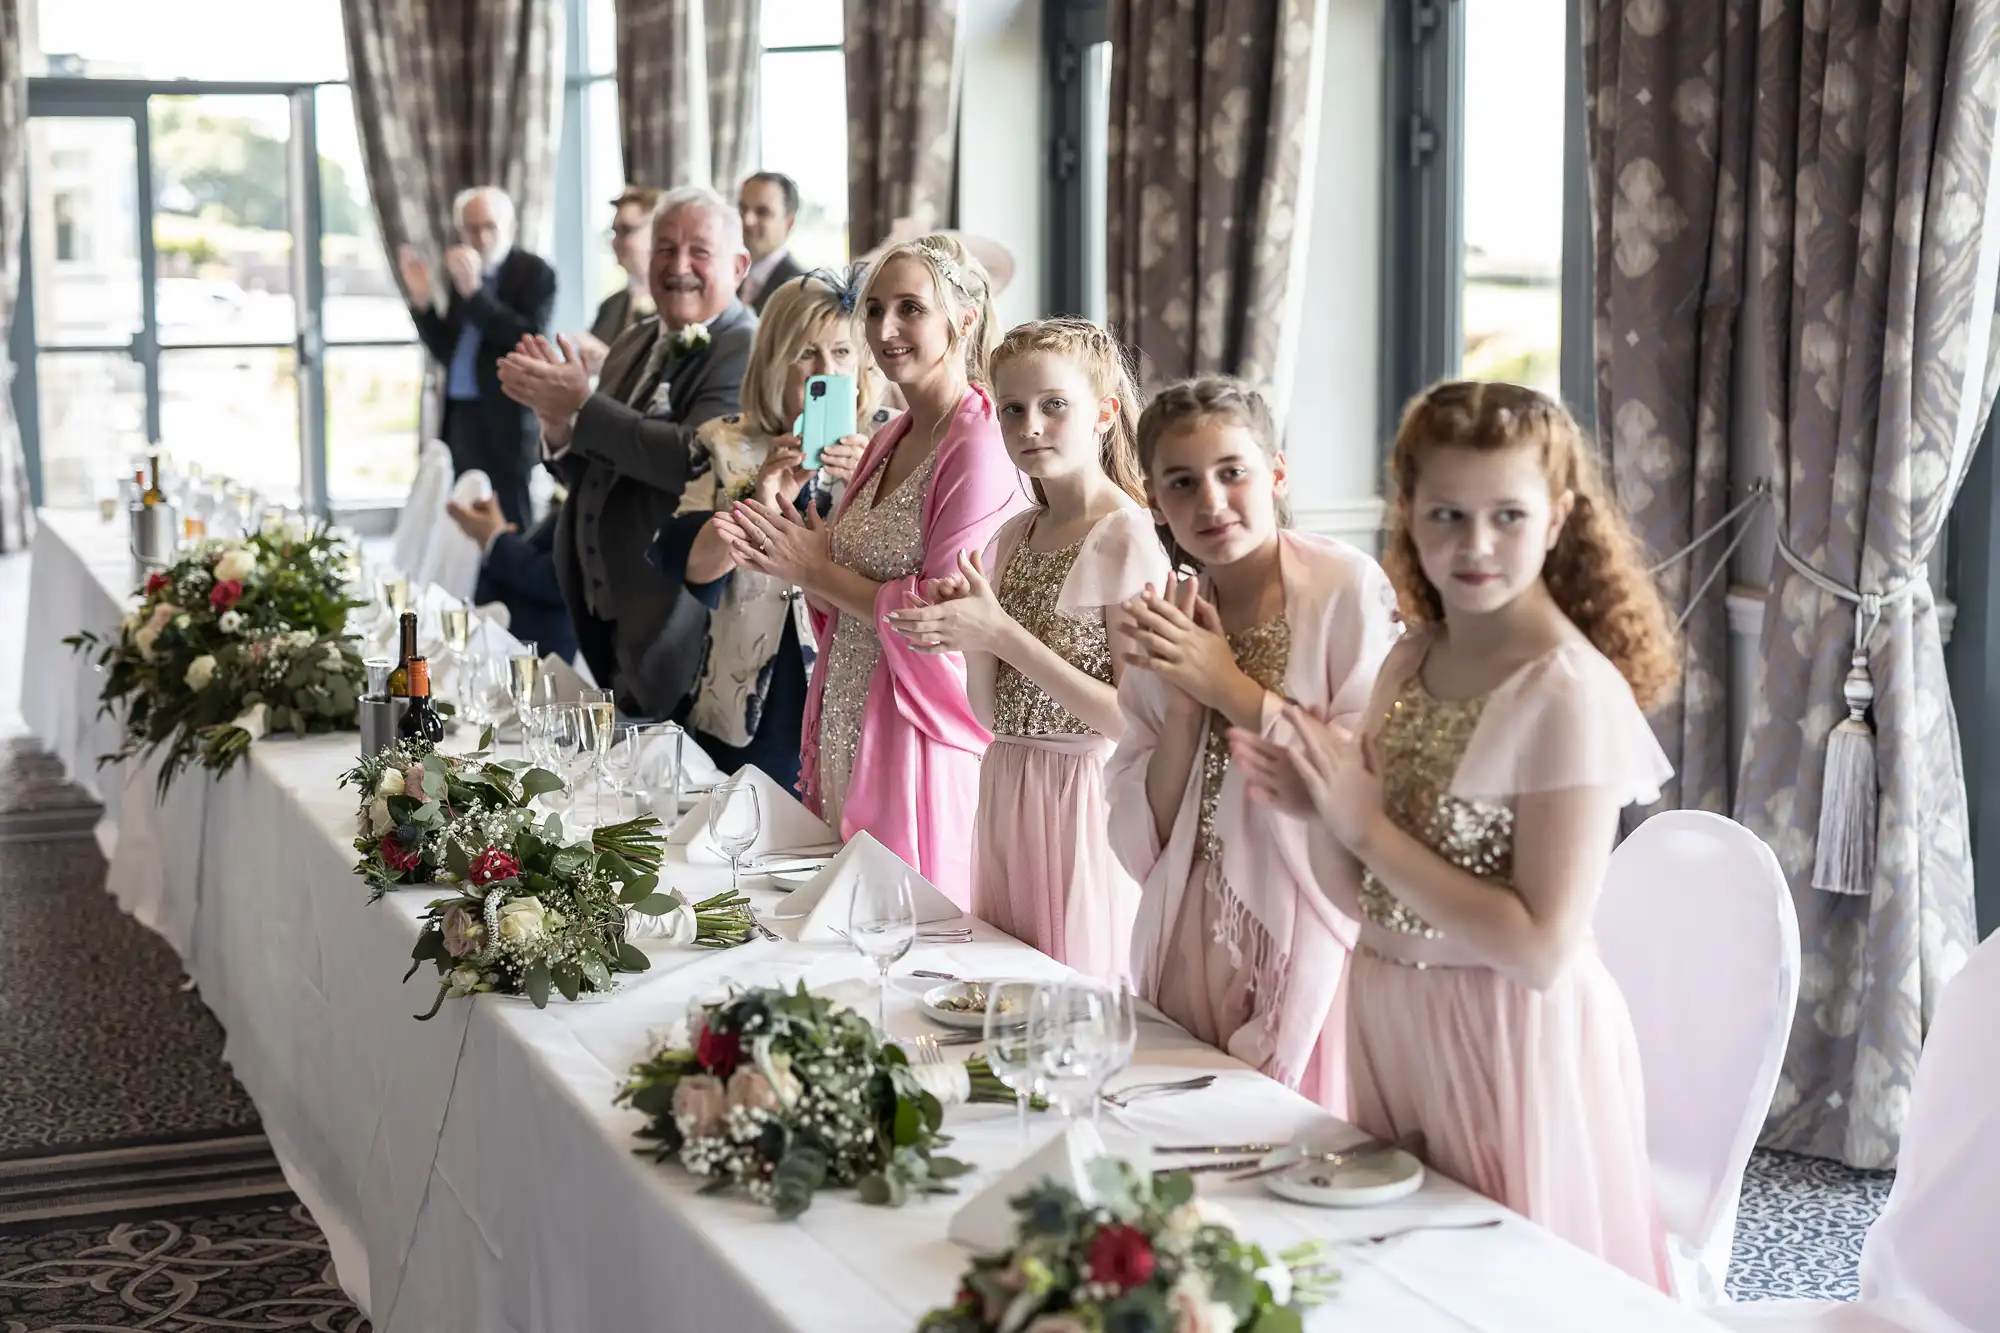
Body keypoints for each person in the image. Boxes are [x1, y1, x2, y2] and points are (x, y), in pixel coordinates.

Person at [1231, 380, 1677, 1289]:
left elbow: (1542, 949)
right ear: (1407, 510)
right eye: (1447, 514)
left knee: (1502, 1291)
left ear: (1556, 519)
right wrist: (1320, 814)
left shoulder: (1568, 692)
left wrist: (1362, 824)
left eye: (1507, 516)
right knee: (1409, 1286)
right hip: (1388, 1009)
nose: (1475, 546)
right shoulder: (1412, 654)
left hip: (1508, 1036)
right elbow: (1361, 895)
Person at [1103, 377, 1400, 1109]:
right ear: (1153, 498)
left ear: (1276, 472)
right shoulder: (1164, 612)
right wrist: (1181, 707)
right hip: (1191, 911)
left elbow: (1366, 775)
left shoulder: (1343, 589)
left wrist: (1226, 684)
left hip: (1303, 913)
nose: (1210, 501)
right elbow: (1143, 826)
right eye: (1182, 482)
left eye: (1232, 472)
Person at [712, 235, 1025, 904]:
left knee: (898, 930)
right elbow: (828, 565)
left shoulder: (979, 441)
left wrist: (812, 570)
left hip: (916, 735)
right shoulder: (889, 434)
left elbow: (945, 621)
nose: (886, 329)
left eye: (910, 308)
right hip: (846, 704)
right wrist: (779, 519)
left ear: (962, 319)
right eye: (875, 309)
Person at [886, 319, 1167, 983]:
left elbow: (1131, 719)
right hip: (1007, 783)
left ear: (1103, 413)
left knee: (1071, 995)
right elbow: (990, 714)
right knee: (1007, 990)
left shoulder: (1125, 536)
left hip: (1085, 799)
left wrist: (1001, 633)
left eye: (1053, 405)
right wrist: (968, 637)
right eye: (1012, 409)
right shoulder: (1011, 536)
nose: (1030, 424)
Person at [495, 185, 754, 718]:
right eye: (665, 248)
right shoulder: (637, 338)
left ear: (739, 265)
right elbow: (595, 466)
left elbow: (697, 460)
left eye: (698, 251)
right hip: (603, 613)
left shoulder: (744, 346)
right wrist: (557, 423)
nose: (678, 265)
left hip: (675, 617)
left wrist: (583, 407)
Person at [648, 270, 881, 790]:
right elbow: (695, 567)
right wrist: (761, 494)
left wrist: (873, 478)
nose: (827, 370)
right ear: (776, 360)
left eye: (843, 354)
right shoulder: (724, 441)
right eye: (806, 354)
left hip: (859, 696)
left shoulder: (891, 443)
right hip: (748, 702)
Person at [400, 186, 556, 529]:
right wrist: (422, 303)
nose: (481, 237)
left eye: (490, 227)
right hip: (461, 412)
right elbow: (449, 351)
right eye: (472, 228)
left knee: (510, 518)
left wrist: (475, 293)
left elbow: (525, 336)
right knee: (462, 518)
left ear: (510, 227)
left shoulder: (534, 272)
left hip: (506, 417)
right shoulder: (465, 275)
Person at [445, 492, 579, 663]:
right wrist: (497, 536)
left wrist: (496, 538)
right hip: (509, 647)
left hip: (538, 655)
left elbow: (557, 578)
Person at [577, 185, 661, 375]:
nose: (616, 242)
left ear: (658, 233)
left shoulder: (679, 306)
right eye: (614, 232)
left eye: (626, 230)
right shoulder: (611, 305)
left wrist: (611, 363)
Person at [737, 172, 807, 313]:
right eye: (743, 209)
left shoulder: (802, 289)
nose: (747, 221)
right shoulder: (731, 277)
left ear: (788, 223)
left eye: (762, 212)